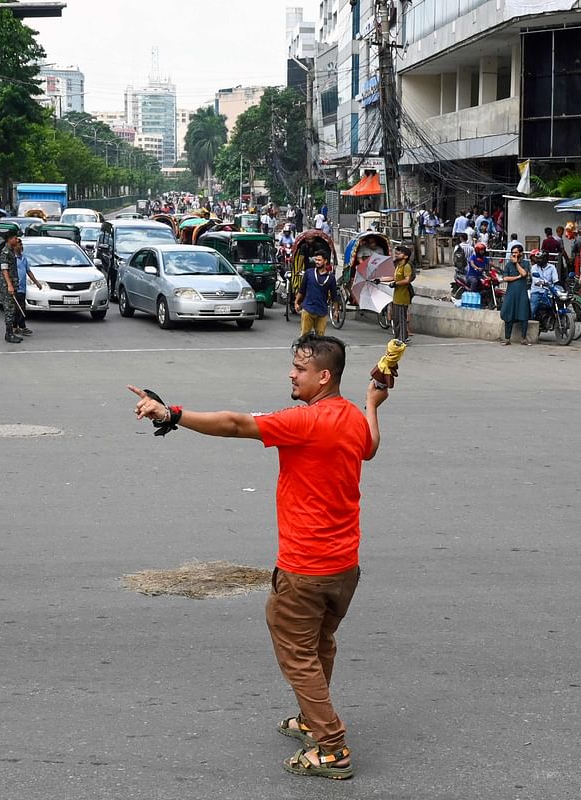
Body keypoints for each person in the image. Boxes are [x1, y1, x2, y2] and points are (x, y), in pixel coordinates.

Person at [126, 333, 387, 780]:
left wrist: (172, 412)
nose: (291, 373)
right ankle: (311, 719)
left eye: (300, 368)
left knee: (296, 653)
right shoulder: (352, 418)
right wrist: (373, 402)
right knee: (318, 644)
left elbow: (234, 424)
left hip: (306, 568)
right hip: (344, 567)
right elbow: (370, 446)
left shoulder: (305, 421)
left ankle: (331, 747)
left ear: (323, 376)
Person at [0, 233, 42, 344]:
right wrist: (9, 285)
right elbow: (4, 270)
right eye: (15, 238)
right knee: (9, 310)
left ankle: (12, 332)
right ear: (9, 239)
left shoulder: (12, 252)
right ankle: (9, 333)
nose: (17, 240)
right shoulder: (5, 252)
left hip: (15, 284)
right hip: (8, 286)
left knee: (14, 310)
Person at [294, 253, 340, 337]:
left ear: (325, 261)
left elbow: (334, 296)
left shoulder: (331, 278)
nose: (317, 262)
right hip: (308, 309)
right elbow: (302, 290)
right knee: (304, 336)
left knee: (320, 338)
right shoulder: (309, 273)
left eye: (319, 260)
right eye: (316, 260)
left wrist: (336, 310)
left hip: (322, 311)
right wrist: (296, 302)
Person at [499, 244, 532, 345]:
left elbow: (524, 274)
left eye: (516, 253)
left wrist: (517, 263)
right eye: (512, 253)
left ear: (521, 253)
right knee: (508, 314)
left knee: (524, 314)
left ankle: (523, 338)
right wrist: (517, 278)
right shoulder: (508, 264)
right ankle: (507, 338)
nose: (514, 255)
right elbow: (505, 278)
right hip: (511, 293)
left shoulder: (525, 263)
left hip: (522, 293)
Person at [386, 245, 414, 341]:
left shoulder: (407, 266)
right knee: (396, 319)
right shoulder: (398, 266)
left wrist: (395, 283)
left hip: (403, 297)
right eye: (397, 252)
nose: (397, 254)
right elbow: (393, 278)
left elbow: (407, 280)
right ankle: (398, 337)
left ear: (405, 256)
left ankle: (402, 339)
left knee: (402, 319)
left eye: (400, 253)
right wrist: (379, 280)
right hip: (396, 297)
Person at [528, 250, 559, 319]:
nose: (538, 260)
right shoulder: (534, 268)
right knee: (532, 310)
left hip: (549, 292)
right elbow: (536, 281)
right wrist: (544, 283)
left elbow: (555, 280)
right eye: (538, 258)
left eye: (540, 258)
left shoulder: (552, 267)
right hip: (537, 292)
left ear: (546, 259)